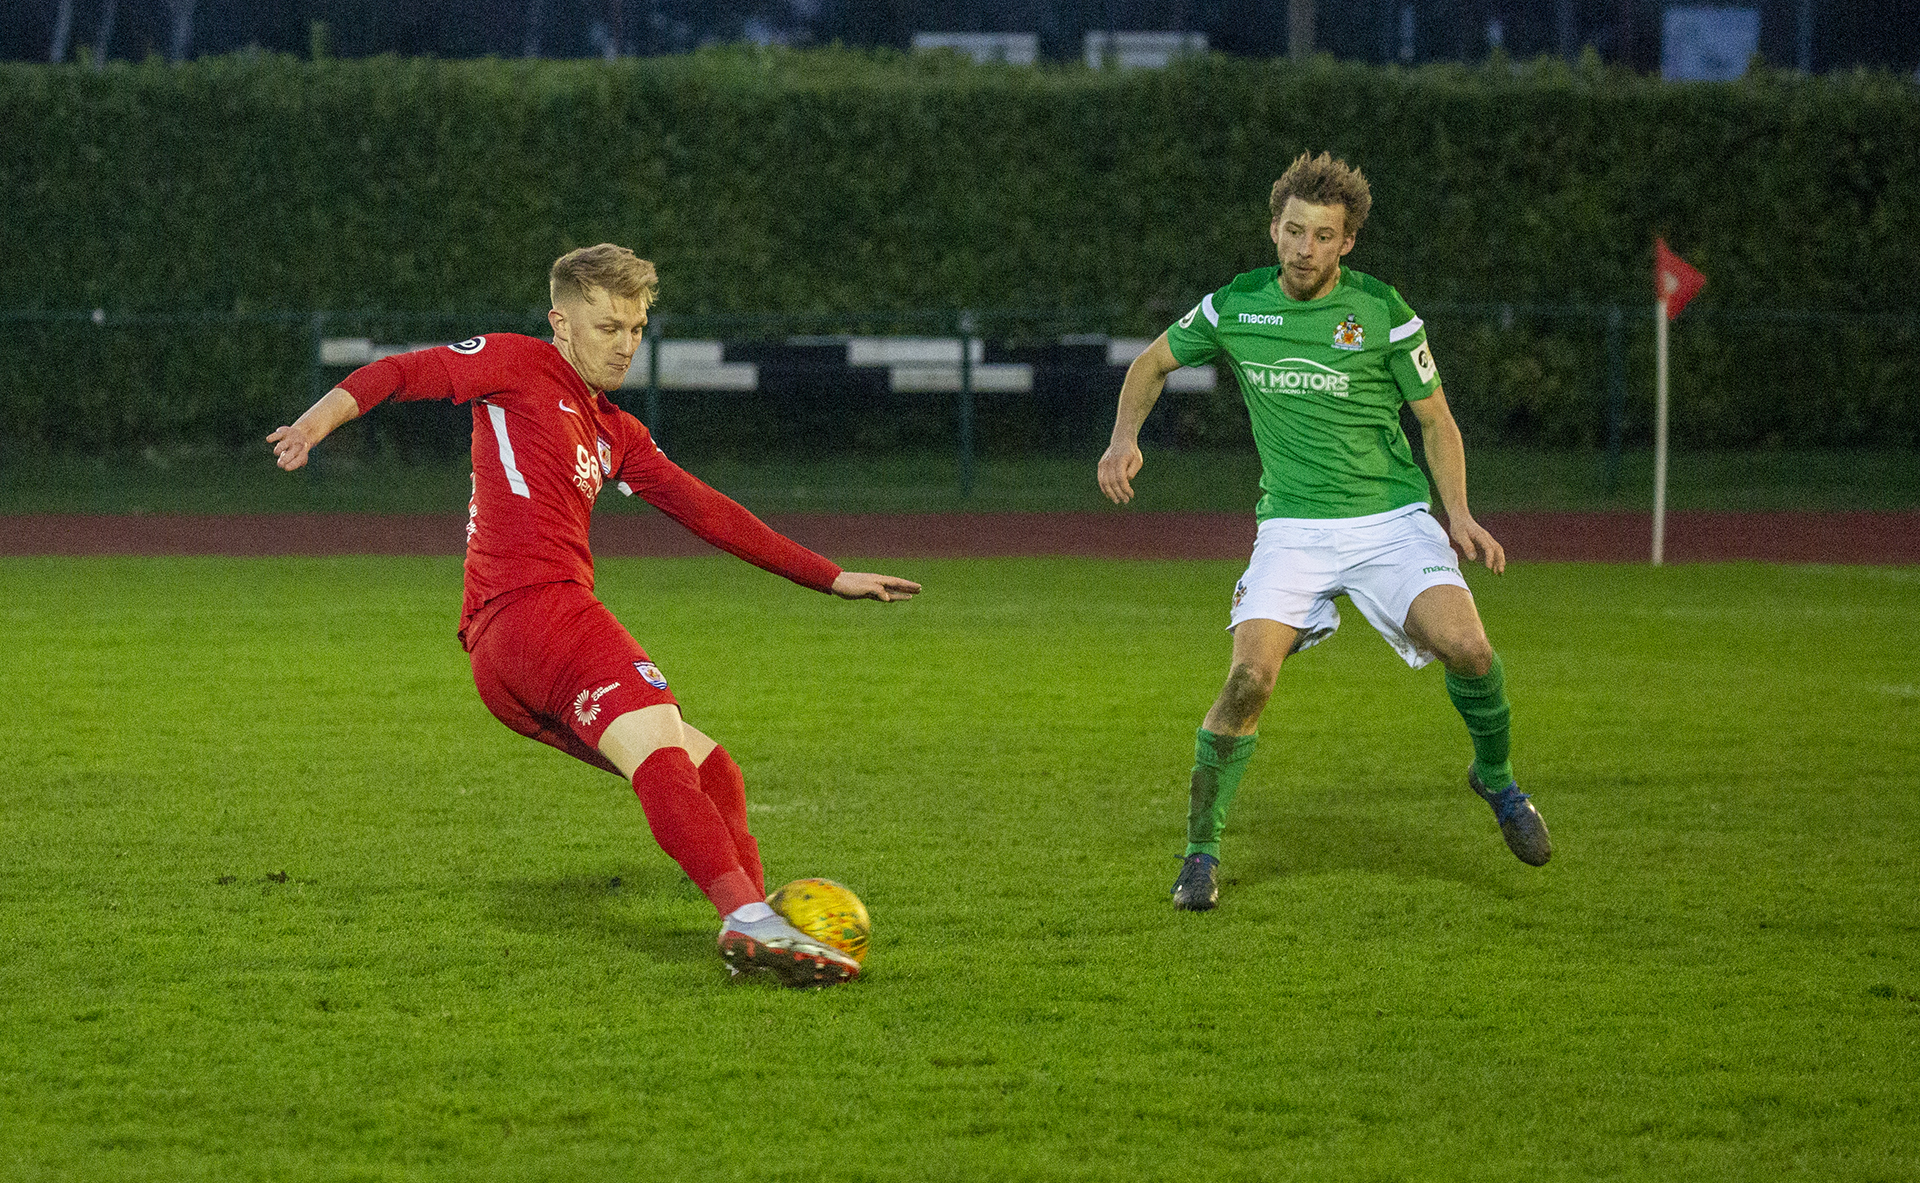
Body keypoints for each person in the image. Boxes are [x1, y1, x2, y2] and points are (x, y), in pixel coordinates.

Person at [268, 243, 921, 984]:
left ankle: (758, 925)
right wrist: (313, 425)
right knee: (664, 753)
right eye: (609, 326)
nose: (626, 344)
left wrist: (828, 576)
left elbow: (706, 510)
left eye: (637, 328)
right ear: (562, 322)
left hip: (510, 654)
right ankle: (747, 921)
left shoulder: (614, 429)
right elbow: (401, 372)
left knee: (714, 770)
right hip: (536, 611)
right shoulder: (516, 364)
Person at [1096, 152, 1550, 911]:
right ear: (1274, 230)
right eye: (1294, 230)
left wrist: (1459, 513)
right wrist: (1121, 438)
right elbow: (1149, 364)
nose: (1305, 247)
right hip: (1294, 530)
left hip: (1391, 521)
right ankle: (1200, 853)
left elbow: (1435, 420)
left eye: (1324, 235)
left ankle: (1497, 780)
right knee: (1249, 679)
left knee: (1469, 647)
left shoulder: (1382, 311)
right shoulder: (1235, 306)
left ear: (1347, 243)